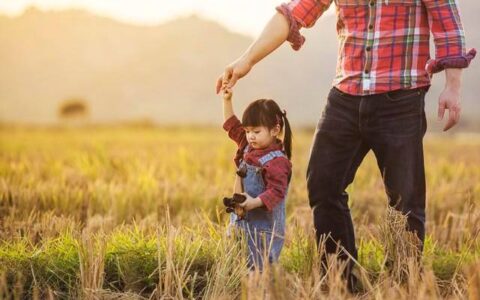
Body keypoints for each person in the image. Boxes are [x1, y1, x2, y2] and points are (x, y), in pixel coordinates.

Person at [215, 0, 475, 290]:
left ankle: (402, 287)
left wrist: (453, 86)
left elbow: (446, 22)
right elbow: (292, 15)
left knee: (406, 200)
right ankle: (341, 285)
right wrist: (247, 60)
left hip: (401, 97)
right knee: (323, 185)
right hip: (345, 95)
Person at [220, 85, 292, 271]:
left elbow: (277, 191)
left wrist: (254, 202)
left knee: (259, 268)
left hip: (262, 229)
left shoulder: (277, 161)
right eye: (247, 131)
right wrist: (227, 100)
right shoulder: (247, 145)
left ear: (275, 130)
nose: (250, 136)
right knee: (235, 263)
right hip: (240, 220)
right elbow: (231, 125)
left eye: (256, 132)